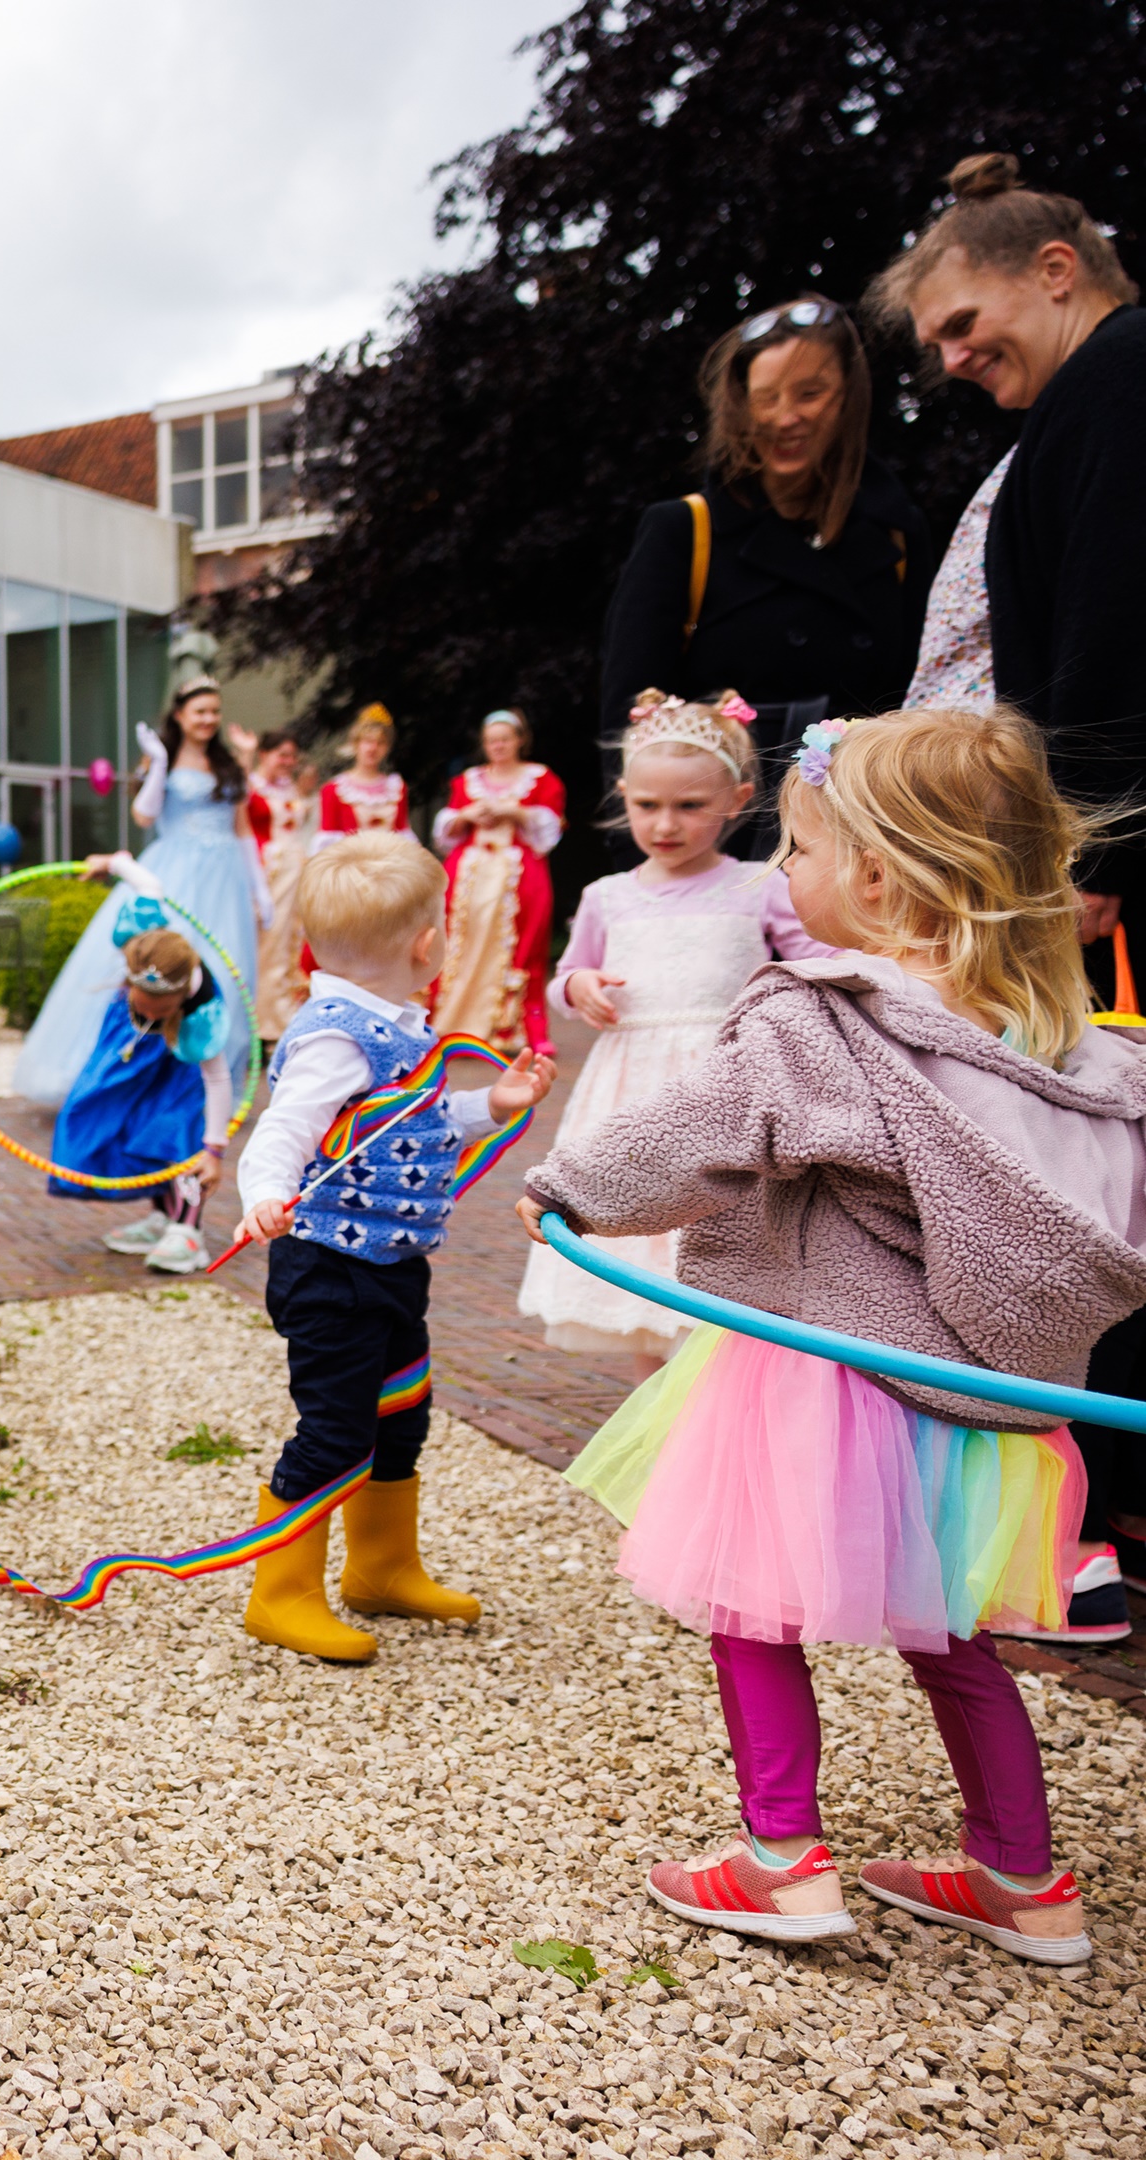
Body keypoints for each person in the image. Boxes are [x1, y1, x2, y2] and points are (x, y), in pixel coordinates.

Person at [520, 706, 1137, 1965]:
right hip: (991, 1402)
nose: (783, 875)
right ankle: (1023, 1879)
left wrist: (564, 1189)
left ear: (873, 875)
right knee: (949, 1630)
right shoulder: (1082, 1052)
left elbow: (692, 1132)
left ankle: (779, 1859)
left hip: (827, 1376)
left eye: (796, 850)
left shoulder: (827, 1018)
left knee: (751, 1606)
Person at [874, 152, 1146, 1625]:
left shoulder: (1115, 382)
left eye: (961, 321)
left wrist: (1090, 870)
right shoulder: (1076, 407)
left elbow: (1108, 631)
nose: (951, 358)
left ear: (1053, 267)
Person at [232, 833, 554, 1662]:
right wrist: (263, 1195)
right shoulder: (336, 1038)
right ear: (426, 943)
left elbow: (414, 1127)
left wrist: (493, 1103)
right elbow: (285, 1128)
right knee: (334, 1429)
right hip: (328, 1272)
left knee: (400, 1416)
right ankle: (281, 1593)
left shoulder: (397, 1030)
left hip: (389, 1267)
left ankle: (380, 1569)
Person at [518, 692, 828, 1373]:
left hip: (724, 1087)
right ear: (623, 795)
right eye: (647, 805)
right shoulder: (607, 895)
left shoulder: (756, 885)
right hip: (631, 1093)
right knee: (641, 1257)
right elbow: (563, 977)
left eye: (688, 806)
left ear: (735, 800)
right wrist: (580, 988)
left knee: (724, 1241)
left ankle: (716, 1398)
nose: (664, 824)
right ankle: (651, 1415)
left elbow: (814, 963)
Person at [593, 294, 930, 850]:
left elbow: (917, 701)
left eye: (810, 393)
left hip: (854, 838)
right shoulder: (685, 530)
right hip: (713, 847)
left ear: (848, 397)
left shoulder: (899, 533)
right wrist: (644, 877)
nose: (784, 417)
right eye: (764, 398)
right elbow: (629, 720)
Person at [13, 677, 261, 1115]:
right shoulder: (159, 759)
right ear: (180, 714)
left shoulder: (228, 765)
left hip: (226, 880)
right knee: (156, 964)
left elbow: (242, 829)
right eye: (200, 711)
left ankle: (205, 1088)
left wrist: (259, 888)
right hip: (175, 871)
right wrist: (161, 765)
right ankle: (129, 1077)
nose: (208, 719)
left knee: (224, 971)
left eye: (214, 711)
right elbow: (144, 814)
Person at [57, 897, 239, 1277]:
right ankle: (163, 1217)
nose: (151, 1014)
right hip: (138, 1053)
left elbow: (218, 1077)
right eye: (144, 1007)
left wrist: (216, 1148)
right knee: (118, 1120)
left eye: (161, 1011)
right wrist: (113, 863)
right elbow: (149, 886)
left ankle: (187, 1229)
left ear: (180, 1000)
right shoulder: (142, 944)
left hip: (183, 1063)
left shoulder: (201, 1012)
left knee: (175, 1135)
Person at [429, 709, 564, 1057]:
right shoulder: (468, 780)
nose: (498, 746)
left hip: (516, 877)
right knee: (462, 943)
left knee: (521, 948)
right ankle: (454, 1021)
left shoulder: (540, 778)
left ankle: (517, 1026)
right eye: (492, 741)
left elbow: (549, 831)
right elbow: (448, 831)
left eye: (505, 739)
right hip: (471, 877)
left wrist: (514, 812)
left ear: (520, 740)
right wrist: (466, 816)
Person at [244, 730, 314, 1035]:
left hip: (294, 871)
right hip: (267, 871)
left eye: (292, 756)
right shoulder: (251, 785)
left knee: (289, 944)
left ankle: (281, 1015)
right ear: (265, 755)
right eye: (281, 755)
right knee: (266, 943)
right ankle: (261, 1023)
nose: (288, 762)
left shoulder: (290, 790)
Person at [313, 705, 408, 846]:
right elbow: (327, 841)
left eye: (380, 743)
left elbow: (403, 834)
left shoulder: (396, 788)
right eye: (368, 741)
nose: (373, 748)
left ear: (387, 748)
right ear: (356, 744)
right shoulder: (335, 790)